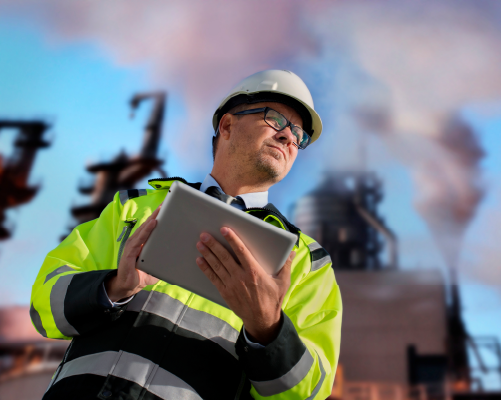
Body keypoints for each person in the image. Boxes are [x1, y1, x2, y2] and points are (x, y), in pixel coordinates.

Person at [30, 69, 342, 400]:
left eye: (298, 134)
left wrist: (267, 329)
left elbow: (309, 392)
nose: (289, 137)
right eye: (276, 119)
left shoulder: (305, 262)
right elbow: (45, 303)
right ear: (227, 126)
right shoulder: (135, 210)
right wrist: (114, 286)